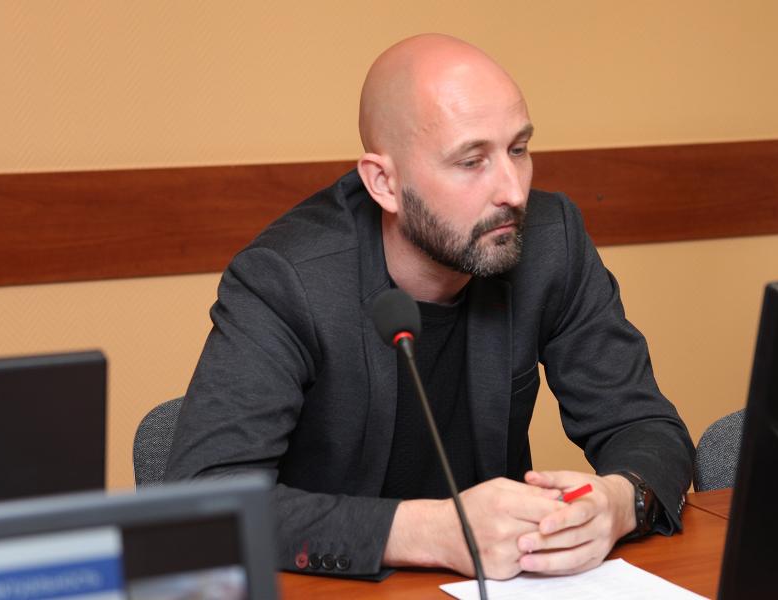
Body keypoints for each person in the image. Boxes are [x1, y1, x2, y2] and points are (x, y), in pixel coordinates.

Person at [165, 33, 694, 580]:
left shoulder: (548, 241)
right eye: (471, 161)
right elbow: (203, 506)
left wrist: (618, 501)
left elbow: (647, 426)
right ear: (384, 183)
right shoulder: (286, 279)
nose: (513, 192)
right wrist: (429, 531)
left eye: (518, 150)